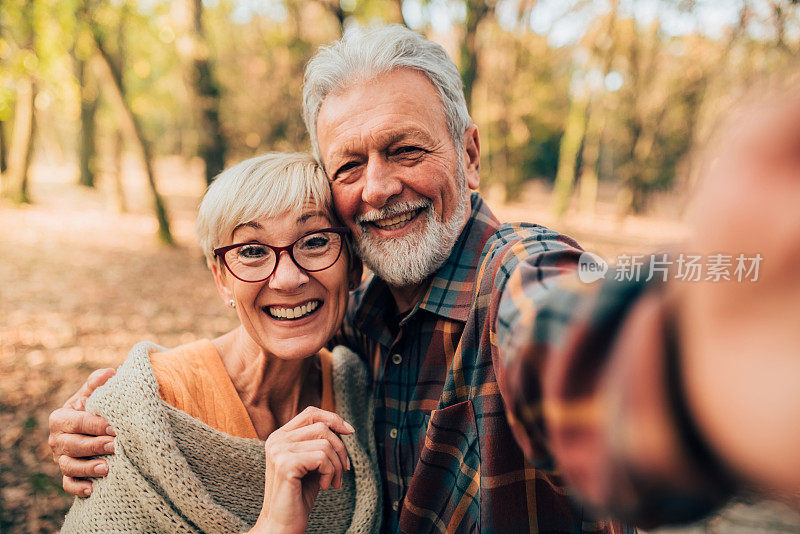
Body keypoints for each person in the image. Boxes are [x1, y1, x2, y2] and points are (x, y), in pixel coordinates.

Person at [51, 25, 800, 532]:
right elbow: (269, 317)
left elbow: (573, 342)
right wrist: (125, 399)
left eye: (406, 150)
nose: (377, 188)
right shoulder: (362, 320)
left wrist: (705, 379)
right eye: (350, 164)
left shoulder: (517, 277)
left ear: (469, 156)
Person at [59, 153, 382, 533]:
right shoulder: (148, 405)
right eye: (252, 251)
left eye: (314, 241)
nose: (287, 278)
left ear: (354, 266)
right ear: (221, 279)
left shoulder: (358, 389)